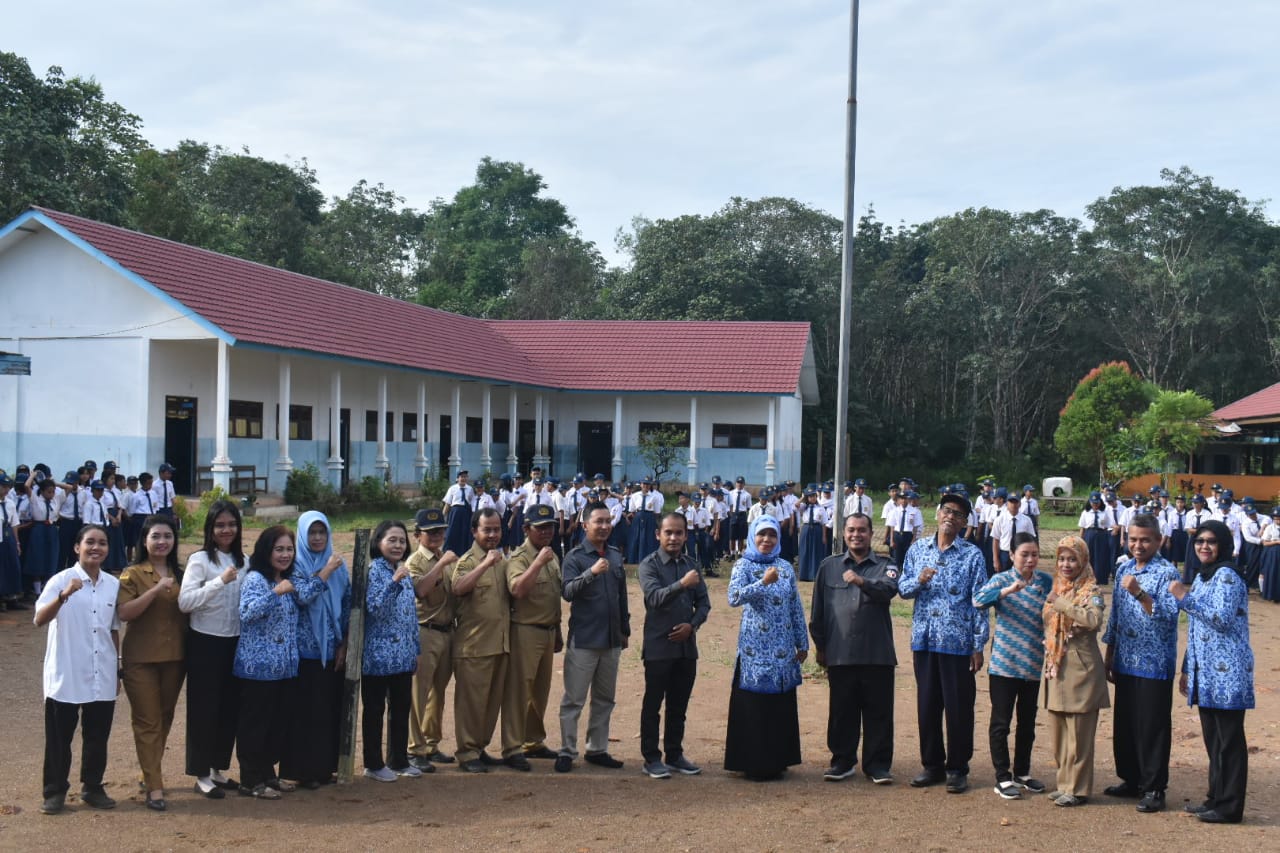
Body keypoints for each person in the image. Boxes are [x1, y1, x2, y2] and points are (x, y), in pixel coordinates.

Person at [898, 491, 988, 794]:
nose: (951, 517)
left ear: (964, 523)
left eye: (959, 515)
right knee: (928, 704)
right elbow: (903, 589)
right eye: (947, 511)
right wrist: (919, 580)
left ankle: (957, 768)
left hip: (958, 642)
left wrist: (978, 644)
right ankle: (932, 765)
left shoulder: (972, 555)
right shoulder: (917, 549)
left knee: (959, 707)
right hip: (924, 640)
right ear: (937, 513)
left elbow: (980, 601)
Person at [1169, 520, 1254, 823]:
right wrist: (1186, 669)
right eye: (1200, 541)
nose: (1204, 546)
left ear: (1223, 546)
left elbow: (1220, 619)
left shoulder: (1228, 576)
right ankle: (1215, 798)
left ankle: (1230, 807)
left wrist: (1184, 597)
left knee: (1229, 742)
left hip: (1228, 673)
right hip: (1204, 674)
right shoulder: (1206, 577)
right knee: (1214, 741)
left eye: (1211, 541)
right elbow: (1196, 629)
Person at [34, 524, 120, 815]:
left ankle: (93, 786)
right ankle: (55, 791)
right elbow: (38, 619)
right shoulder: (61, 580)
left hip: (102, 671)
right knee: (59, 738)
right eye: (90, 542)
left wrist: (117, 667)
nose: (96, 548)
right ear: (77, 547)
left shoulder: (112, 584)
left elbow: (113, 628)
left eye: (102, 543)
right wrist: (63, 596)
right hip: (67, 671)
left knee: (98, 735)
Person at [809, 512, 898, 784]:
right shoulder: (829, 566)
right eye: (851, 530)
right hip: (840, 652)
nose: (856, 535)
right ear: (843, 533)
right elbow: (818, 611)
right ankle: (842, 761)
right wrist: (821, 646)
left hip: (876, 653)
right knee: (841, 711)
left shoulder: (886, 565)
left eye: (862, 530)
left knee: (878, 712)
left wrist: (862, 581)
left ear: (872, 534)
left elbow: (888, 590)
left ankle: (878, 765)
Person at [1101, 513, 1180, 813]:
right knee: (1127, 723)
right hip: (1125, 658)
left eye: (1145, 539)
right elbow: (1116, 615)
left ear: (1158, 540)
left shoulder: (1167, 572)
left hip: (1154, 661)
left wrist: (1139, 592)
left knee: (1152, 726)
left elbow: (1168, 615)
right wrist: (1110, 653)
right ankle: (1131, 779)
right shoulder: (1123, 568)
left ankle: (1154, 787)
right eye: (1133, 539)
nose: (1138, 545)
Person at [723, 515, 807, 781]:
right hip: (754, 651)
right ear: (752, 537)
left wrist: (802, 641)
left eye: (772, 535)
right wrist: (762, 583)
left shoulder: (785, 566)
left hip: (782, 649)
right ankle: (752, 762)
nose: (766, 540)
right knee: (754, 705)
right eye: (761, 535)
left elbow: (795, 605)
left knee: (778, 705)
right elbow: (734, 597)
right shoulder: (743, 565)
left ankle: (778, 760)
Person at [973, 532, 1053, 799]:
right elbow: (978, 601)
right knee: (1001, 722)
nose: (1030, 560)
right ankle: (1002, 777)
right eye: (1024, 555)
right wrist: (1007, 591)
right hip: (1004, 664)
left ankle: (1022, 773)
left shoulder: (1045, 581)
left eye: (1034, 555)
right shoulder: (1001, 579)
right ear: (1012, 556)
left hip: (1032, 663)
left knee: (1027, 722)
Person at [117, 516, 187, 811]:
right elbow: (125, 613)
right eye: (156, 536)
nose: (162, 542)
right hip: (141, 659)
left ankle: (149, 773)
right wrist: (156, 590)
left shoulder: (183, 572)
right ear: (144, 541)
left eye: (167, 536)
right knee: (147, 721)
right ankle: (155, 787)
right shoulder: (132, 574)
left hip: (175, 657)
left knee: (165, 716)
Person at [178, 499, 245, 799]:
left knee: (229, 708)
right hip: (205, 641)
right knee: (204, 709)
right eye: (220, 525)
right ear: (210, 528)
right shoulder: (200, 560)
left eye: (231, 524)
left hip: (236, 642)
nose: (226, 530)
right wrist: (219, 581)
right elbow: (185, 602)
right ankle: (201, 773)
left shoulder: (245, 560)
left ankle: (218, 768)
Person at [557, 502, 630, 773]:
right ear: (585, 524)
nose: (604, 526)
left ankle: (597, 748)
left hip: (611, 640)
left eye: (608, 521)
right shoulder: (575, 558)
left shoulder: (614, 555)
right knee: (574, 699)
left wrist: (624, 630)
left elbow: (622, 595)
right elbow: (567, 592)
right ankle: (566, 750)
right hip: (585, 639)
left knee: (605, 699)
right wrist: (591, 573)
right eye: (598, 521)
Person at [637, 511, 711, 779]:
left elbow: (704, 603)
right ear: (658, 534)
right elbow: (654, 598)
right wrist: (681, 584)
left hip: (686, 647)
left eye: (679, 532)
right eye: (668, 532)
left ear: (685, 535)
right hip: (659, 646)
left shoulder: (692, 564)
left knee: (679, 705)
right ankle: (651, 757)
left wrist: (692, 625)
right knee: (653, 704)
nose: (673, 537)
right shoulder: (649, 565)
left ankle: (675, 754)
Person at [281, 511, 351, 788]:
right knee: (302, 714)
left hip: (331, 649)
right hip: (303, 652)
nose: (318, 538)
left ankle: (323, 769)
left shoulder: (338, 565)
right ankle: (300, 771)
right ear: (302, 534)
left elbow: (346, 605)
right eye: (312, 532)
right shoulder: (295, 565)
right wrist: (325, 573)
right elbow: (303, 597)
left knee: (326, 711)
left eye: (322, 532)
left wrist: (344, 643)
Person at [234, 526, 303, 800]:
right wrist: (276, 593)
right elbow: (247, 613)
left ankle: (267, 775)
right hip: (257, 669)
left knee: (275, 724)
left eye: (289, 549)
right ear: (266, 551)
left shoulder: (286, 579)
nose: (285, 554)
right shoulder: (255, 579)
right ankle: (250, 781)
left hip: (284, 668)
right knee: (255, 725)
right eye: (279, 549)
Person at [1040, 535, 1108, 807]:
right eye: (1062, 558)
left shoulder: (1091, 590)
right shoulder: (1059, 587)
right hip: (1057, 667)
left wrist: (1063, 605)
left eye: (1072, 559)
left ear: (1083, 561)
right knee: (1059, 733)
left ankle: (1077, 789)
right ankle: (1063, 783)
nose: (1066, 564)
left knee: (1079, 735)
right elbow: (1047, 618)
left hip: (1081, 669)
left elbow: (1093, 619)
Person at [449, 507, 511, 772]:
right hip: (473, 647)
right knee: (471, 704)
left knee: (490, 702)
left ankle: (480, 746)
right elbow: (458, 587)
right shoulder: (467, 561)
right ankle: (466, 752)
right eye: (487, 530)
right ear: (474, 531)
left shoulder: (503, 561)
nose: (493, 535)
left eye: (497, 529)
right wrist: (485, 564)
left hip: (499, 644)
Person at [502, 503, 563, 768]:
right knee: (519, 692)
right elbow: (518, 590)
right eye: (540, 528)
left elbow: (552, 597)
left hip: (547, 630)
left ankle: (533, 741)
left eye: (550, 526)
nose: (547, 531)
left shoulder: (552, 554)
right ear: (526, 529)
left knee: (540, 691)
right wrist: (537, 563)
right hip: (525, 631)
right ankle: (512, 747)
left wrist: (558, 631)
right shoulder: (520, 557)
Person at [361, 520, 421, 781]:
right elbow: (376, 609)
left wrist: (415, 649)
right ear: (378, 542)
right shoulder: (375, 571)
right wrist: (394, 583)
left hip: (403, 656)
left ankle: (398, 760)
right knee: (374, 711)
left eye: (402, 540)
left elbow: (410, 616)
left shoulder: (402, 570)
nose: (398, 545)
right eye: (392, 540)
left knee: (401, 708)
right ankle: (373, 764)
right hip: (378, 656)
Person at [405, 508, 458, 769]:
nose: (437, 535)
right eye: (431, 532)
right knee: (419, 694)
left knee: (438, 692)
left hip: (447, 632)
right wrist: (441, 564)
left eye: (441, 531)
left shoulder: (444, 557)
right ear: (417, 535)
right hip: (424, 631)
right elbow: (420, 590)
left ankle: (431, 743)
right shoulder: (415, 561)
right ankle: (415, 749)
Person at [794, 488, 829, 582]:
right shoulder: (804, 507)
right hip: (806, 528)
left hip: (817, 529)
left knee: (815, 551)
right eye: (809, 496)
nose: (812, 498)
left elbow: (824, 523)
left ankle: (814, 575)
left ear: (816, 497)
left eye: (813, 496)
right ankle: (804, 574)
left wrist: (824, 536)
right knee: (805, 550)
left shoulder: (820, 508)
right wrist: (802, 497)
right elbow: (796, 505)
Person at [442, 470, 475, 556]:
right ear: (457, 478)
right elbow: (448, 504)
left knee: (465, 531)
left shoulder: (470, 489)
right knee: (452, 531)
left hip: (466, 513)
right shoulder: (452, 488)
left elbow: (472, 503)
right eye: (461, 477)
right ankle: (448, 550)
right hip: (455, 512)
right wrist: (442, 516)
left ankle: (464, 551)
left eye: (465, 476)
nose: (463, 478)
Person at [1260, 506, 1280, 603]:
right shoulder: (1269, 528)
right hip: (1273, 553)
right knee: (1272, 572)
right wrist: (1276, 542)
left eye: (1279, 518)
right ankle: (1272, 595)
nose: (1277, 520)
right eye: (1275, 518)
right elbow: (1265, 543)